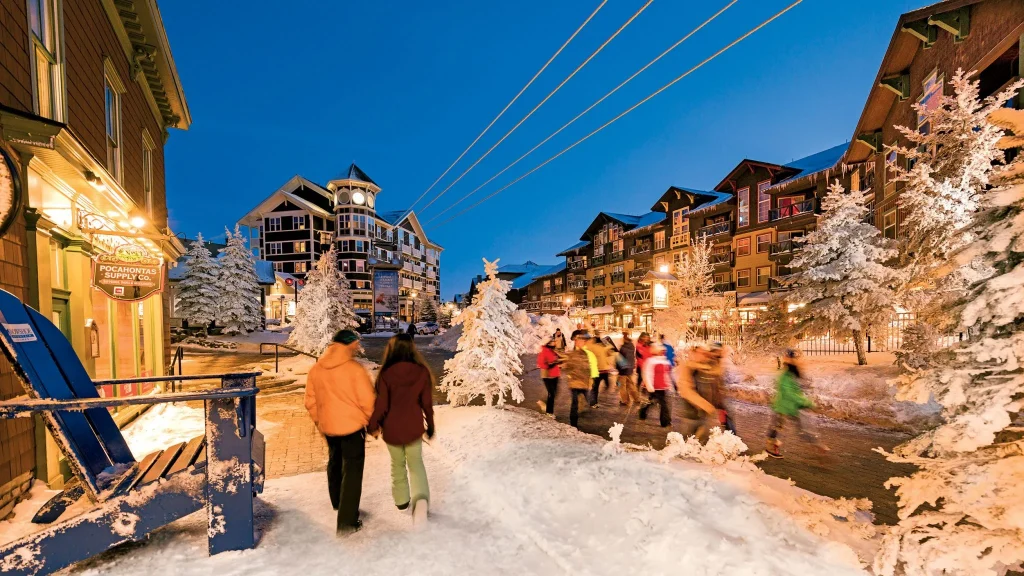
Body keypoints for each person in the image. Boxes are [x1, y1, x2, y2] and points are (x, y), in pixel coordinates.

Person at [304, 329, 375, 534]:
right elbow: (368, 402)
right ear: (349, 345)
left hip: (328, 426)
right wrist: (374, 425)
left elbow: (310, 401)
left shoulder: (317, 369)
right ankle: (347, 521)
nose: (356, 348)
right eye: (354, 345)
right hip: (352, 428)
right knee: (352, 471)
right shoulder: (355, 370)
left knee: (335, 462)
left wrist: (320, 421)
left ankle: (337, 502)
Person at [367, 334, 435, 522]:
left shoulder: (386, 374)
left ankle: (402, 500)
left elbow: (381, 405)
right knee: (416, 464)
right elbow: (427, 403)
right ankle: (420, 499)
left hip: (392, 429)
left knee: (397, 464)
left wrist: (373, 425)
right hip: (413, 426)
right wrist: (430, 425)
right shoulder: (422, 372)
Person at [765, 349, 830, 459]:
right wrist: (807, 403)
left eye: (794, 358)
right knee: (776, 427)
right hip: (782, 407)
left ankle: (815, 445)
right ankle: (770, 448)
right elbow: (791, 394)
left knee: (793, 428)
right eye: (792, 358)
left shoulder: (792, 373)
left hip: (790, 407)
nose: (795, 361)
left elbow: (796, 390)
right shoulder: (785, 376)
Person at [563, 332, 598, 428]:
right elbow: (567, 366)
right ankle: (573, 423)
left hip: (583, 382)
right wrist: (570, 375)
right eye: (577, 341)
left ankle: (576, 419)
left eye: (581, 341)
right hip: (575, 383)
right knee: (575, 403)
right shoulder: (573, 354)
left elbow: (591, 366)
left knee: (584, 400)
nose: (578, 343)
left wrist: (592, 378)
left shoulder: (587, 354)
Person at [638, 343, 673, 427]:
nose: (663, 352)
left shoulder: (665, 361)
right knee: (654, 402)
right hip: (653, 387)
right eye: (661, 351)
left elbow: (667, 374)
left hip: (662, 387)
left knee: (660, 403)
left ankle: (665, 422)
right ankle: (643, 412)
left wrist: (670, 384)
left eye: (663, 351)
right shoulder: (651, 361)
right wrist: (649, 385)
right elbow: (646, 373)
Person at [536, 336, 564, 418]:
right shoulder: (544, 351)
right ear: (548, 343)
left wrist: (559, 361)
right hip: (547, 376)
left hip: (555, 375)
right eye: (552, 341)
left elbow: (558, 359)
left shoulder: (553, 351)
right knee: (551, 393)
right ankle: (549, 412)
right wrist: (551, 364)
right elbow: (541, 363)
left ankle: (544, 403)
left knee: (555, 393)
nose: (554, 343)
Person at [586, 332, 614, 407]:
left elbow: (586, 349)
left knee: (595, 388)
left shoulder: (592, 347)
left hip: (597, 371)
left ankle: (593, 403)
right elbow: (610, 352)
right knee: (607, 383)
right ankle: (605, 391)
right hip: (605, 370)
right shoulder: (603, 347)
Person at [616, 332, 640, 406]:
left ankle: (625, 400)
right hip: (629, 369)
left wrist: (618, 368)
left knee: (620, 385)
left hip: (623, 370)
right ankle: (636, 398)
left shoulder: (623, 348)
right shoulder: (631, 346)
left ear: (624, 339)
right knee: (630, 385)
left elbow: (620, 359)